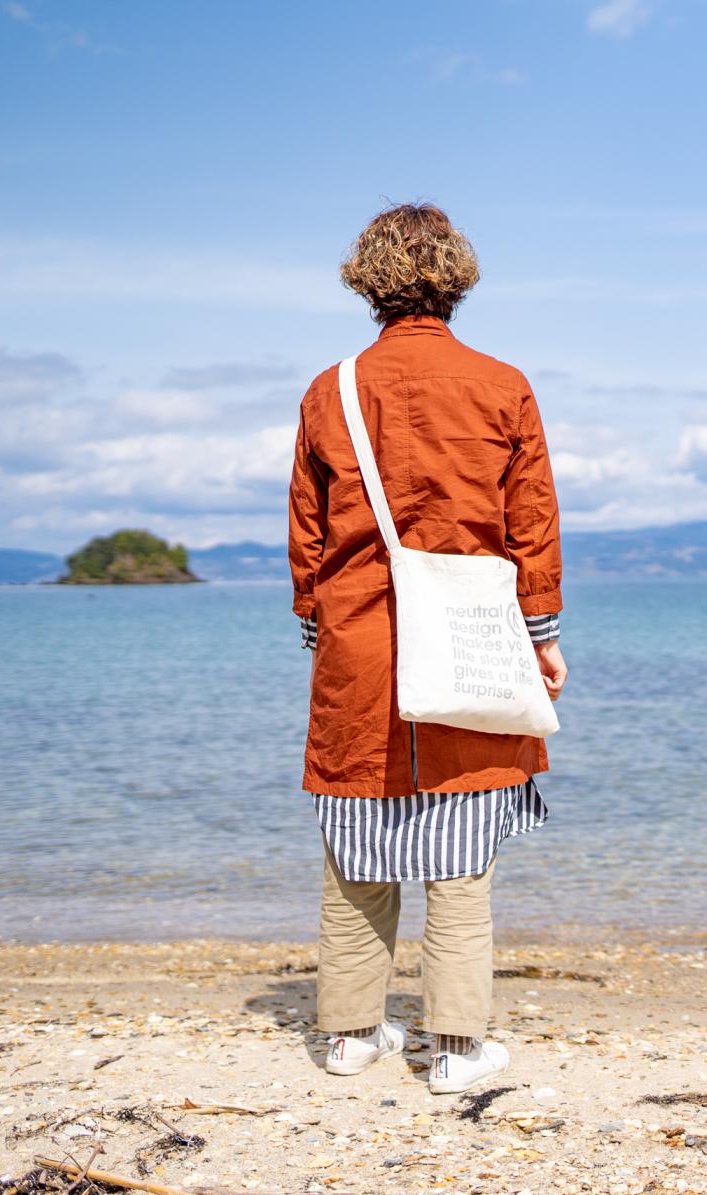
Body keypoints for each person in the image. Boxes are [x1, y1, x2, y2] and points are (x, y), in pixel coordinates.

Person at [286, 202, 566, 1095]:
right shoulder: (502, 384)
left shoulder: (328, 390)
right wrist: (543, 638)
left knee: (357, 839)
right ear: (458, 276)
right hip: (472, 641)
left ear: (367, 279)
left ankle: (347, 1034)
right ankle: (452, 1046)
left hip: (360, 639)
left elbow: (307, 532)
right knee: (461, 848)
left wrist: (317, 626)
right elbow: (531, 527)